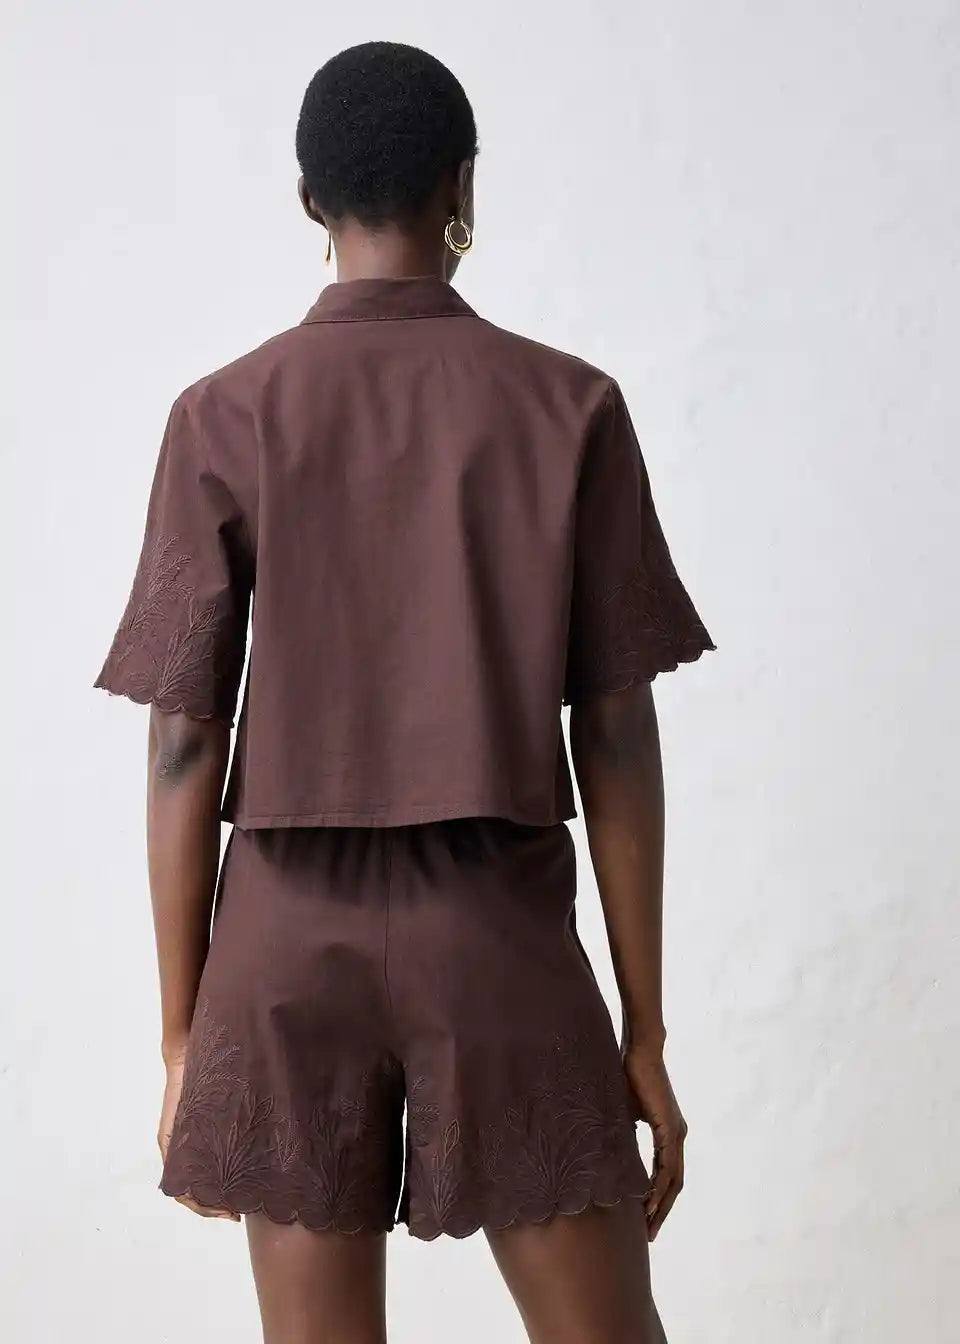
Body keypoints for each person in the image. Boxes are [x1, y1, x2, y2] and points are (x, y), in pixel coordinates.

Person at [95, 40, 714, 1344]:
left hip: (280, 946)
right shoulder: (571, 407)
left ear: (308, 201)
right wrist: (644, 1034)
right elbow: (613, 732)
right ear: (462, 185)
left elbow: (181, 747)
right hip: (498, 938)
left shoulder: (223, 414)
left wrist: (181, 1038)